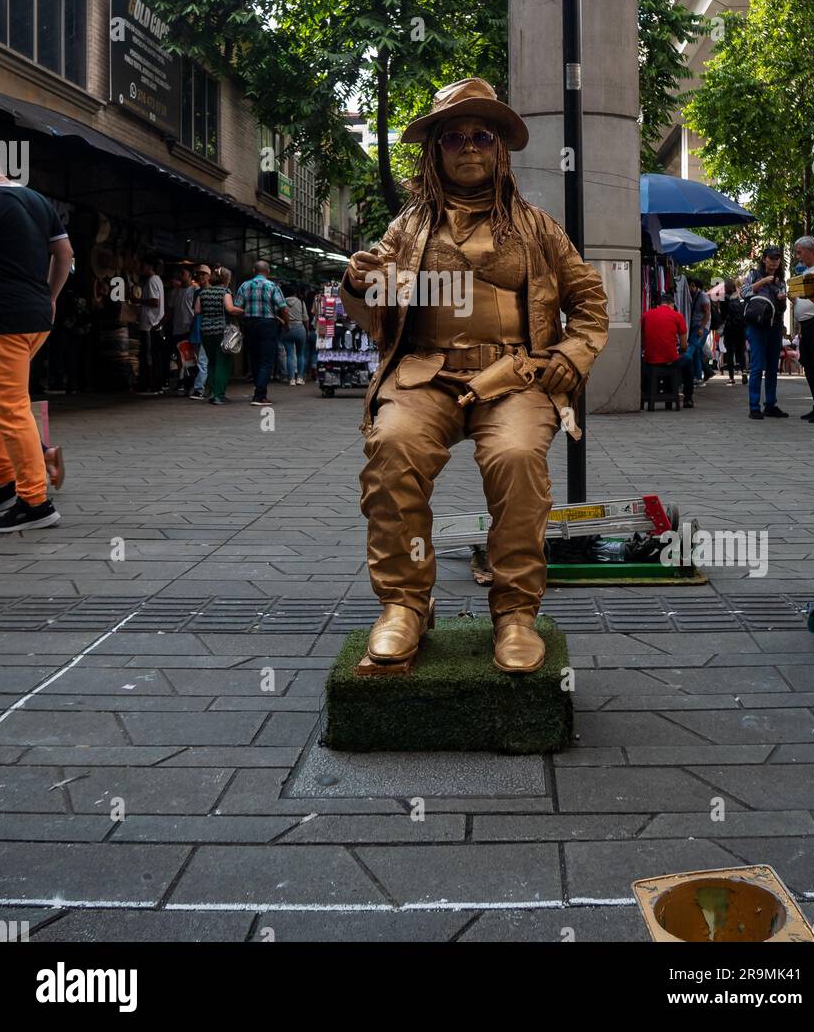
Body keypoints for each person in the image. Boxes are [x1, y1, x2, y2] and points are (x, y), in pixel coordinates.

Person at [342, 77, 608, 673]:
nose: (468, 147)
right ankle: (404, 606)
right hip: (423, 377)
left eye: (481, 136)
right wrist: (361, 284)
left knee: (516, 458)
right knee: (392, 447)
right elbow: (381, 317)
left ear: (500, 149)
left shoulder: (537, 227)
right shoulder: (406, 229)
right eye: (453, 137)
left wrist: (569, 357)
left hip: (514, 378)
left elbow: (589, 301)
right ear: (434, 149)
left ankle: (515, 612)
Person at [0, 149, 73, 532]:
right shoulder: (35, 198)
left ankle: (34, 501)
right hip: (35, 316)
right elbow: (65, 254)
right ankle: (4, 482)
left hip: (0, 320)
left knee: (10, 405)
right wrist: (51, 296)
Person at [741, 245, 789, 420]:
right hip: (756, 325)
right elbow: (744, 292)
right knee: (756, 366)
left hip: (774, 325)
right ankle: (754, 406)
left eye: (777, 258)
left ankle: (770, 404)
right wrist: (763, 282)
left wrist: (782, 300)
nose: (774, 261)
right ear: (764, 259)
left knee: (772, 367)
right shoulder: (754, 275)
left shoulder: (781, 280)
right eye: (771, 258)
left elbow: (782, 308)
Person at [235, 261, 289, 405]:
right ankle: (259, 395)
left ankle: (259, 390)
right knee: (266, 360)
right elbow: (283, 308)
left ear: (254, 270)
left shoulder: (244, 286)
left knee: (254, 358)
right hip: (267, 325)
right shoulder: (272, 286)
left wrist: (244, 321)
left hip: (250, 324)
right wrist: (286, 324)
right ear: (268, 272)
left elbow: (237, 308)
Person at [194, 265, 242, 405]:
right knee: (223, 363)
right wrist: (244, 311)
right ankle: (218, 395)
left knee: (212, 363)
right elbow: (230, 309)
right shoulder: (225, 291)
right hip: (221, 331)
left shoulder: (202, 293)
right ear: (226, 279)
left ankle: (212, 392)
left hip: (205, 331)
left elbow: (197, 311)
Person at [793, 236, 814, 424]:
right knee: (809, 366)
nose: (798, 256)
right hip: (805, 326)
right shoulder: (805, 272)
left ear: (810, 251)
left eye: (799, 252)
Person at [642, 292, 694, 407]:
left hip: (649, 360)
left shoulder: (646, 315)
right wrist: (680, 350)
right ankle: (688, 397)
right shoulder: (677, 316)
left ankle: (645, 394)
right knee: (688, 359)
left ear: (658, 304)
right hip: (670, 361)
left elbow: (642, 340)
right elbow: (684, 345)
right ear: (671, 304)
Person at [135, 257, 166, 393]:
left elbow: (155, 302)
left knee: (148, 356)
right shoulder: (157, 280)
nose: (141, 268)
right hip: (153, 323)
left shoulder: (153, 280)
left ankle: (149, 385)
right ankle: (155, 385)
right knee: (153, 356)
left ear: (150, 267)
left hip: (149, 324)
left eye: (143, 265)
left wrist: (138, 300)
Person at [170, 266, 198, 394]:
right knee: (179, 358)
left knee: (189, 357)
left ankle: (190, 382)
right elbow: (171, 310)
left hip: (189, 327)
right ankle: (182, 380)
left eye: (183, 273)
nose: (181, 275)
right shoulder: (175, 292)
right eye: (180, 273)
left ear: (190, 276)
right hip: (177, 328)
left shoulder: (195, 290)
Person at [189, 265, 211, 400]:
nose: (201, 277)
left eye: (204, 274)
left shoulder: (211, 291)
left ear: (209, 276)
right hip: (196, 328)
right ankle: (202, 387)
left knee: (202, 361)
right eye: (199, 274)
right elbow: (194, 311)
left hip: (206, 329)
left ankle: (199, 389)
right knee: (198, 360)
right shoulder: (196, 292)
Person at [720, 278, 747, 386]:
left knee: (730, 352)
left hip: (729, 328)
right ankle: (744, 372)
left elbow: (722, 315)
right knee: (741, 350)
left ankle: (731, 378)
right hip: (741, 327)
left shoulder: (724, 299)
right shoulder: (741, 297)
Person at [280, 282, 309, 386]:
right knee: (300, 354)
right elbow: (306, 319)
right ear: (295, 292)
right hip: (300, 328)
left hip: (287, 329)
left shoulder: (282, 302)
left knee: (289, 355)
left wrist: (282, 321)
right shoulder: (301, 302)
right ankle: (300, 378)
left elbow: (275, 313)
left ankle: (291, 379)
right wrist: (307, 330)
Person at [686, 277, 712, 383]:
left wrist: (702, 328)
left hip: (700, 326)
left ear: (692, 285)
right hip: (696, 326)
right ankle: (701, 374)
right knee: (696, 350)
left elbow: (707, 312)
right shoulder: (695, 295)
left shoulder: (702, 296)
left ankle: (695, 375)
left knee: (691, 348)